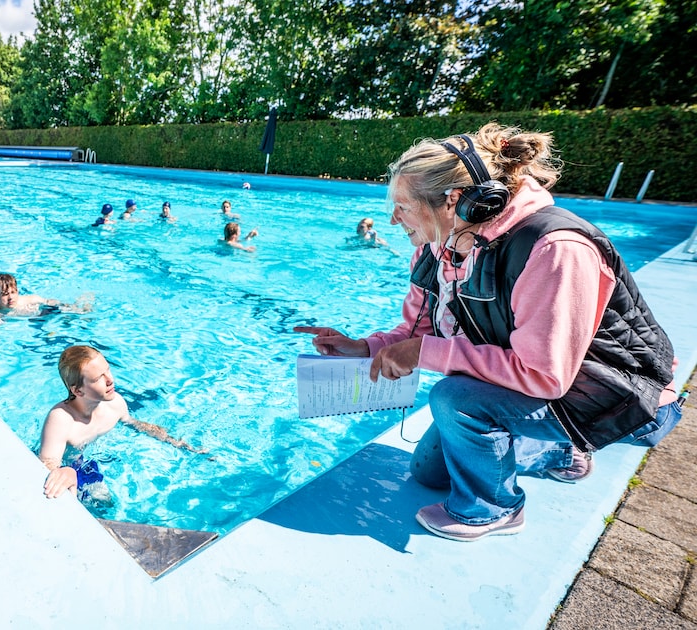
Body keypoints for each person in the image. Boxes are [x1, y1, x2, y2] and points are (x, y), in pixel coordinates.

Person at [295, 123, 679, 542]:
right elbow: (417, 328)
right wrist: (364, 347)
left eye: (403, 206)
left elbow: (545, 376)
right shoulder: (438, 244)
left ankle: (494, 510)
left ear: (454, 200)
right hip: (537, 385)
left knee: (455, 400)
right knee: (427, 471)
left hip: (611, 395)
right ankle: (560, 449)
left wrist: (424, 352)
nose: (392, 219)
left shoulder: (554, 249)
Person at [39, 345, 206, 500]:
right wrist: (65, 471)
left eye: (108, 370)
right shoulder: (61, 419)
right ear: (78, 390)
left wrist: (176, 442)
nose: (110, 380)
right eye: (98, 378)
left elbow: (135, 424)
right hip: (69, 468)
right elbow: (46, 462)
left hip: (87, 464)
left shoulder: (114, 404)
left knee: (106, 502)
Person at [0, 273, 91, 327]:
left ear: (17, 291)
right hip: (35, 320)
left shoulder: (30, 300)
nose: (10, 298)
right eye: (5, 294)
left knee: (72, 313)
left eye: (13, 292)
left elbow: (51, 302)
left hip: (43, 313)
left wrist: (70, 307)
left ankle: (83, 304)